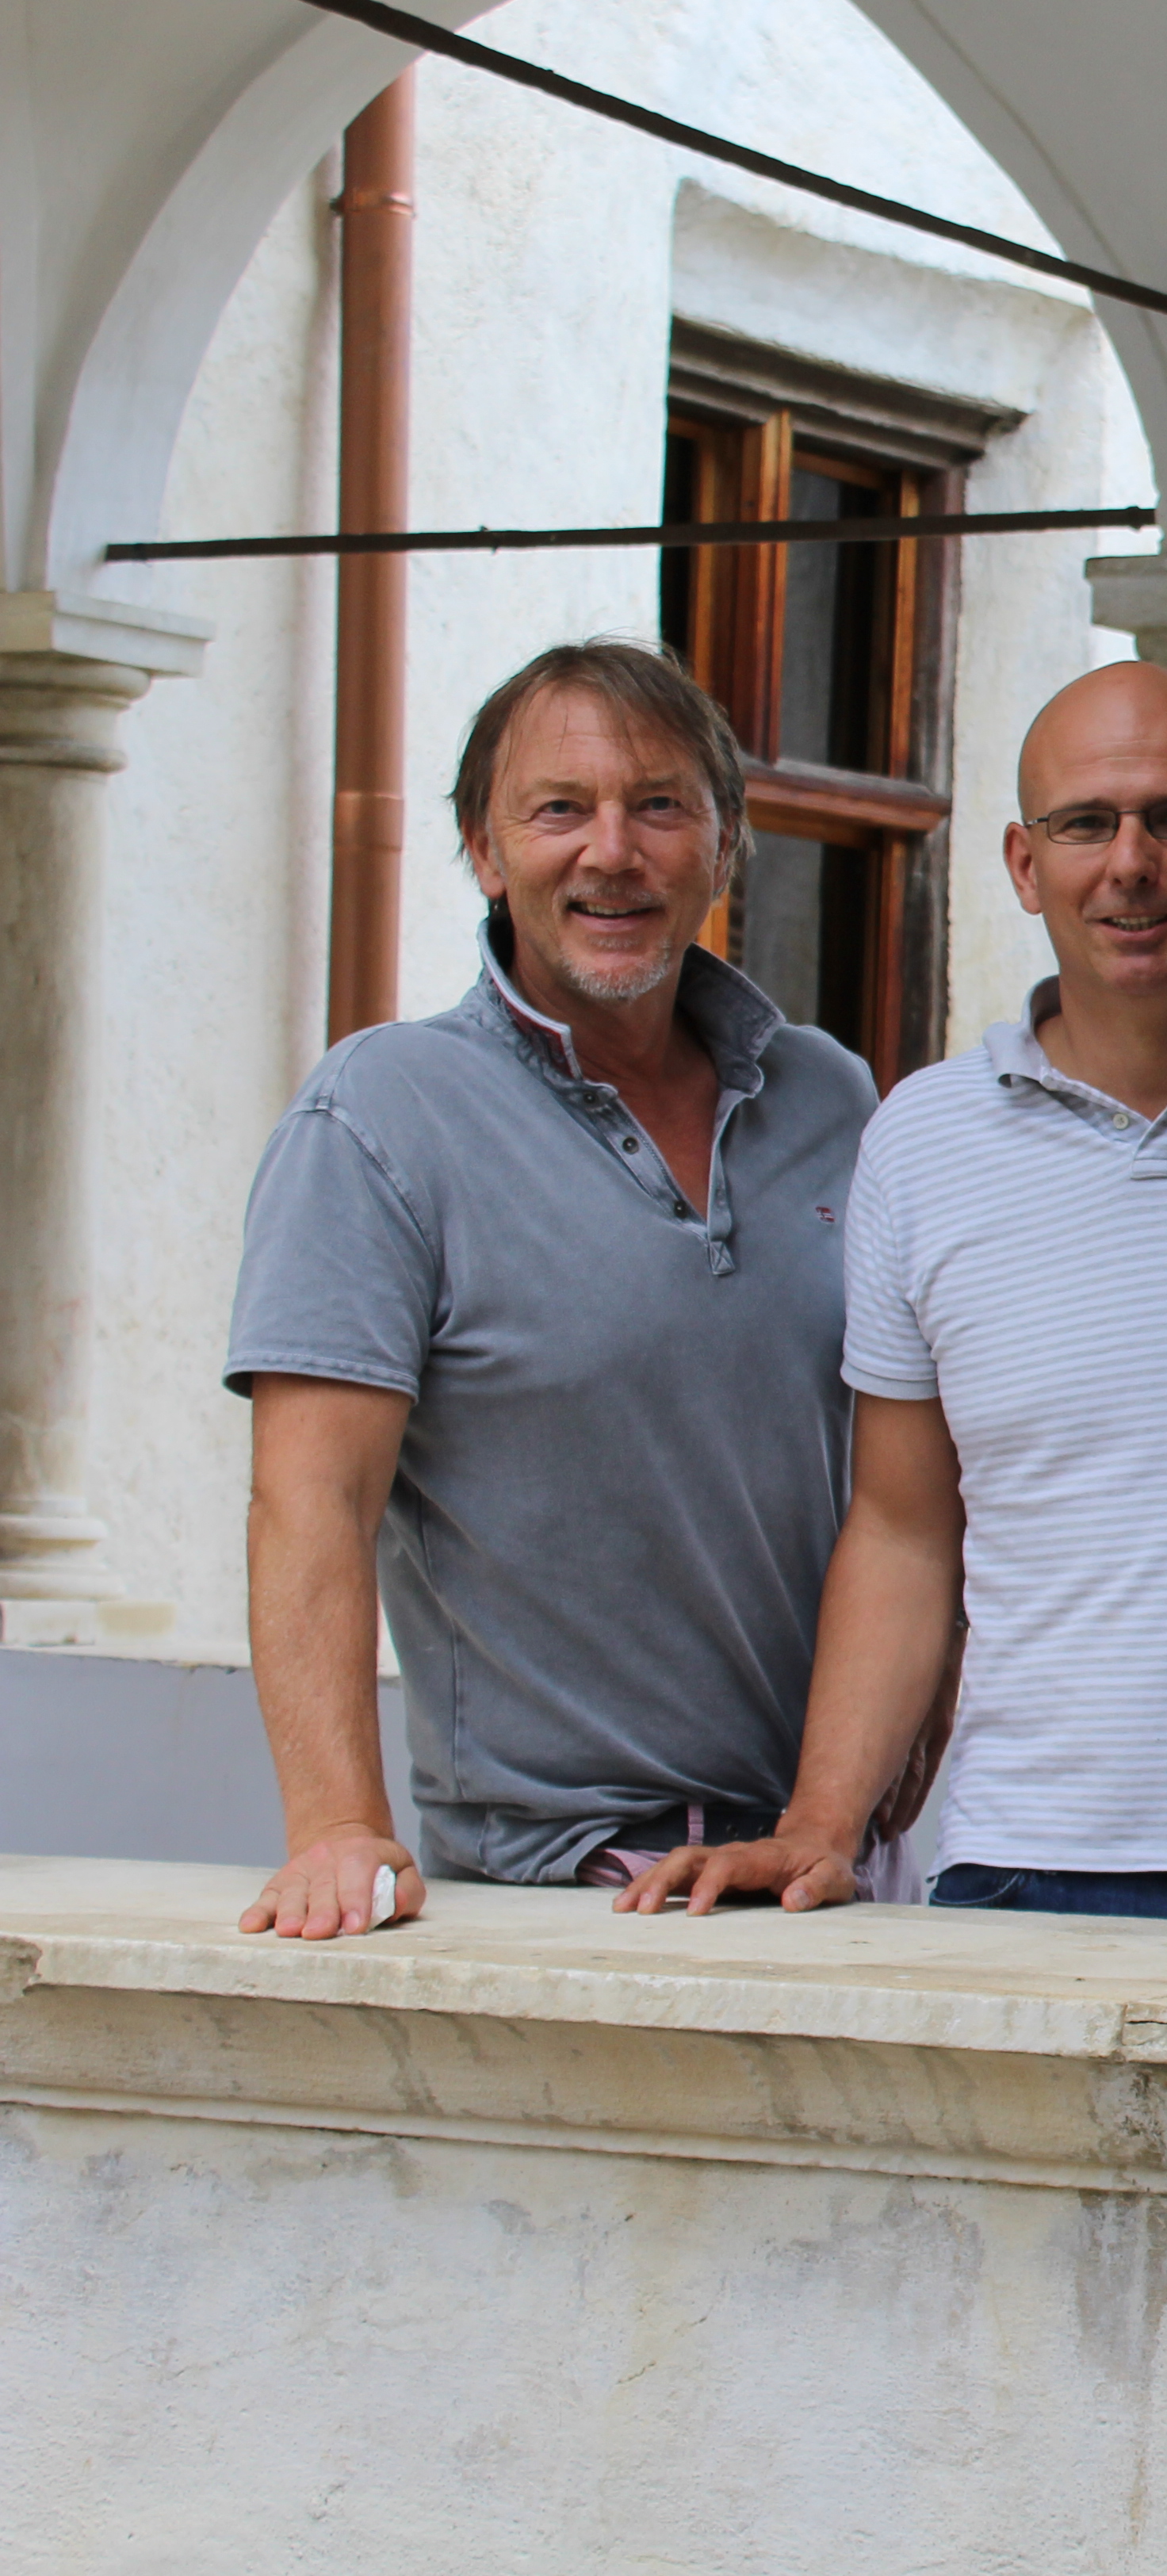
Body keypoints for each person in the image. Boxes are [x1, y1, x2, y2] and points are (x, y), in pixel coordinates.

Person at [633, 661, 1167, 1921]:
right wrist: (821, 1823)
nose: (1130, 863)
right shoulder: (923, 1140)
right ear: (1022, 865)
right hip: (1028, 1863)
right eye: (1085, 824)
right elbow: (901, 1528)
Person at [224, 640, 886, 1933]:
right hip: (570, 1876)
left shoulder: (831, 1096)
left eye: (659, 804)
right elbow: (312, 1500)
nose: (611, 852)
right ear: (484, 847)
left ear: (725, 840)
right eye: (558, 809)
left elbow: (909, 1472)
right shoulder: (380, 1115)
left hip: (828, 1852)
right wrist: (338, 1828)